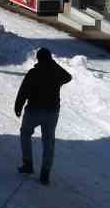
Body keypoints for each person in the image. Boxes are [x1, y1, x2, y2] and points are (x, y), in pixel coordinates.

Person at [14, 47, 72, 185]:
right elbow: (68, 77)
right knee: (48, 142)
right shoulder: (56, 73)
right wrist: (53, 65)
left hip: (33, 111)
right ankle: (45, 174)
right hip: (52, 113)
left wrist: (18, 106)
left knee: (25, 134)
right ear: (51, 59)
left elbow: (23, 91)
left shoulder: (33, 73)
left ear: (38, 59)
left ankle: (28, 164)